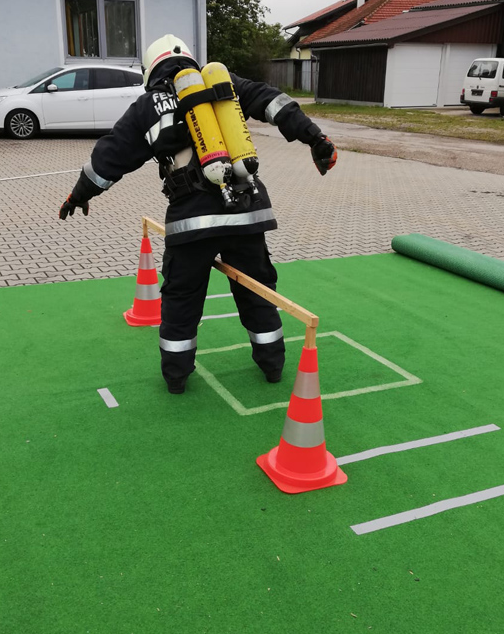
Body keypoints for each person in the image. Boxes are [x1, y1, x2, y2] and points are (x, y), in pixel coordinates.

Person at [59, 34, 337, 394]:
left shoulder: (148, 106)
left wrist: (79, 194)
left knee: (182, 300)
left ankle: (176, 377)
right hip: (247, 212)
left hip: (192, 220)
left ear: (150, 69)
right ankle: (272, 366)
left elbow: (110, 157)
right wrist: (316, 139)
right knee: (258, 294)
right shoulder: (226, 84)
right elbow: (275, 103)